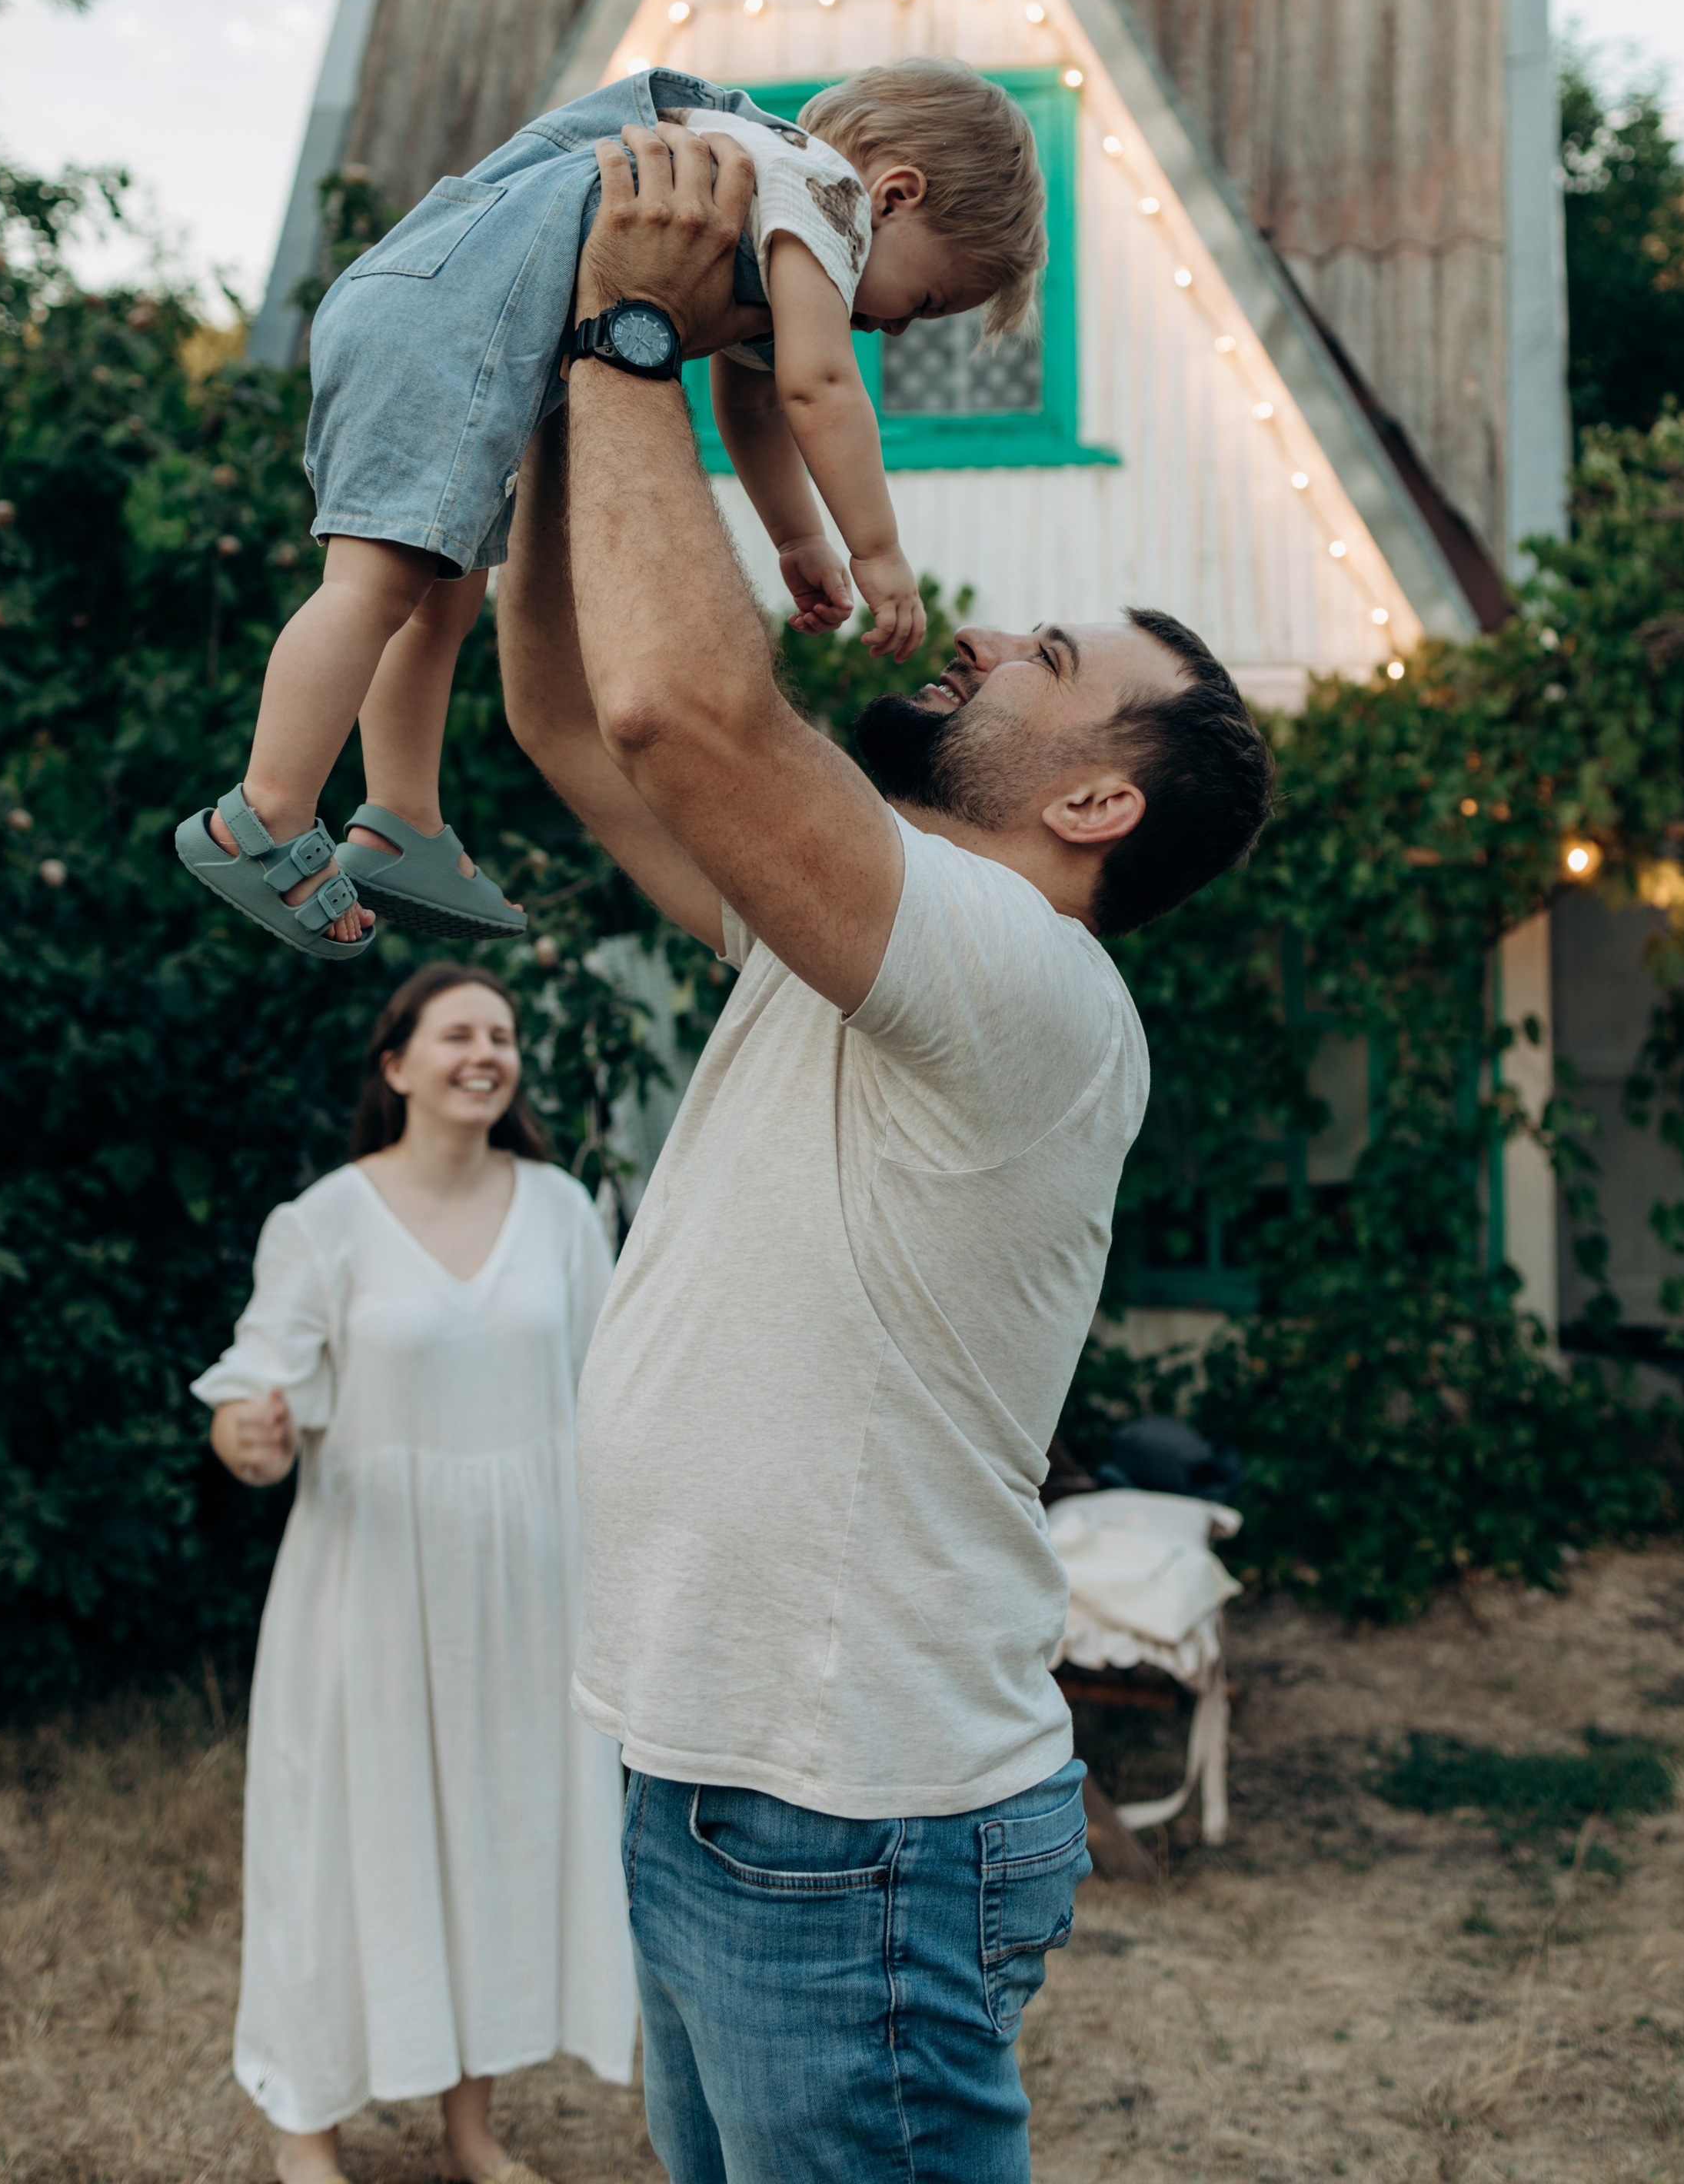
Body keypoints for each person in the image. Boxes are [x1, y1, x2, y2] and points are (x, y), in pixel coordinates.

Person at [497, 119, 1274, 2182]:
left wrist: (640, 339)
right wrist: (538, 406)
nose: (1002, 636)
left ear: (1095, 806)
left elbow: (686, 712)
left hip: (863, 1825)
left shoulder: (1019, 981)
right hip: (713, 1769)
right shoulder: (860, 932)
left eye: (1056, 664)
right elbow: (579, 722)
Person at [175, 58, 1045, 962]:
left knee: (442, 599)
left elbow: (749, 405)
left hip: (449, 327)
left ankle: (401, 821)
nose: (899, 328)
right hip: (443, 331)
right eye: (929, 300)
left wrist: (796, 536)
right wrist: (878, 552)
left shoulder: (766, 221)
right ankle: (265, 811)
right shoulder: (822, 190)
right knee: (369, 589)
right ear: (895, 195)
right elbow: (819, 388)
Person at [193, 963, 635, 2184]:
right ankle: (306, 2135)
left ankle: (471, 2129)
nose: (486, 1052)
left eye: (502, 1034)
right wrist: (251, 1436)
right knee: (344, 1844)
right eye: (457, 1034)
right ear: (396, 1066)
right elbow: (252, 1391)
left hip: (529, 1598)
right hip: (372, 1592)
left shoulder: (559, 1209)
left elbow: (613, 1392)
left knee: (496, 1841)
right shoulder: (324, 1222)